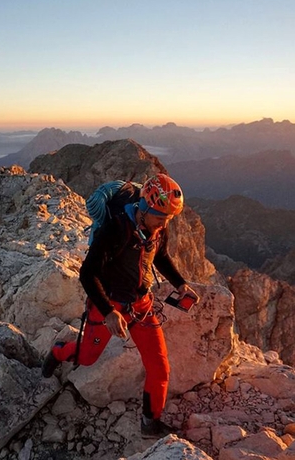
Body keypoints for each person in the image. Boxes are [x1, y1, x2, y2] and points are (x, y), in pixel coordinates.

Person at [42, 173, 199, 438]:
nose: (164, 224)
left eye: (168, 219)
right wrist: (108, 312)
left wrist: (180, 283)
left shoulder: (158, 227)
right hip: (110, 304)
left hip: (142, 305)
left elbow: (160, 256)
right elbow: (88, 273)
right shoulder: (116, 229)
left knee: (160, 367)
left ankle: (150, 423)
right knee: (88, 358)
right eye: (160, 218)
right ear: (145, 208)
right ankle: (59, 352)